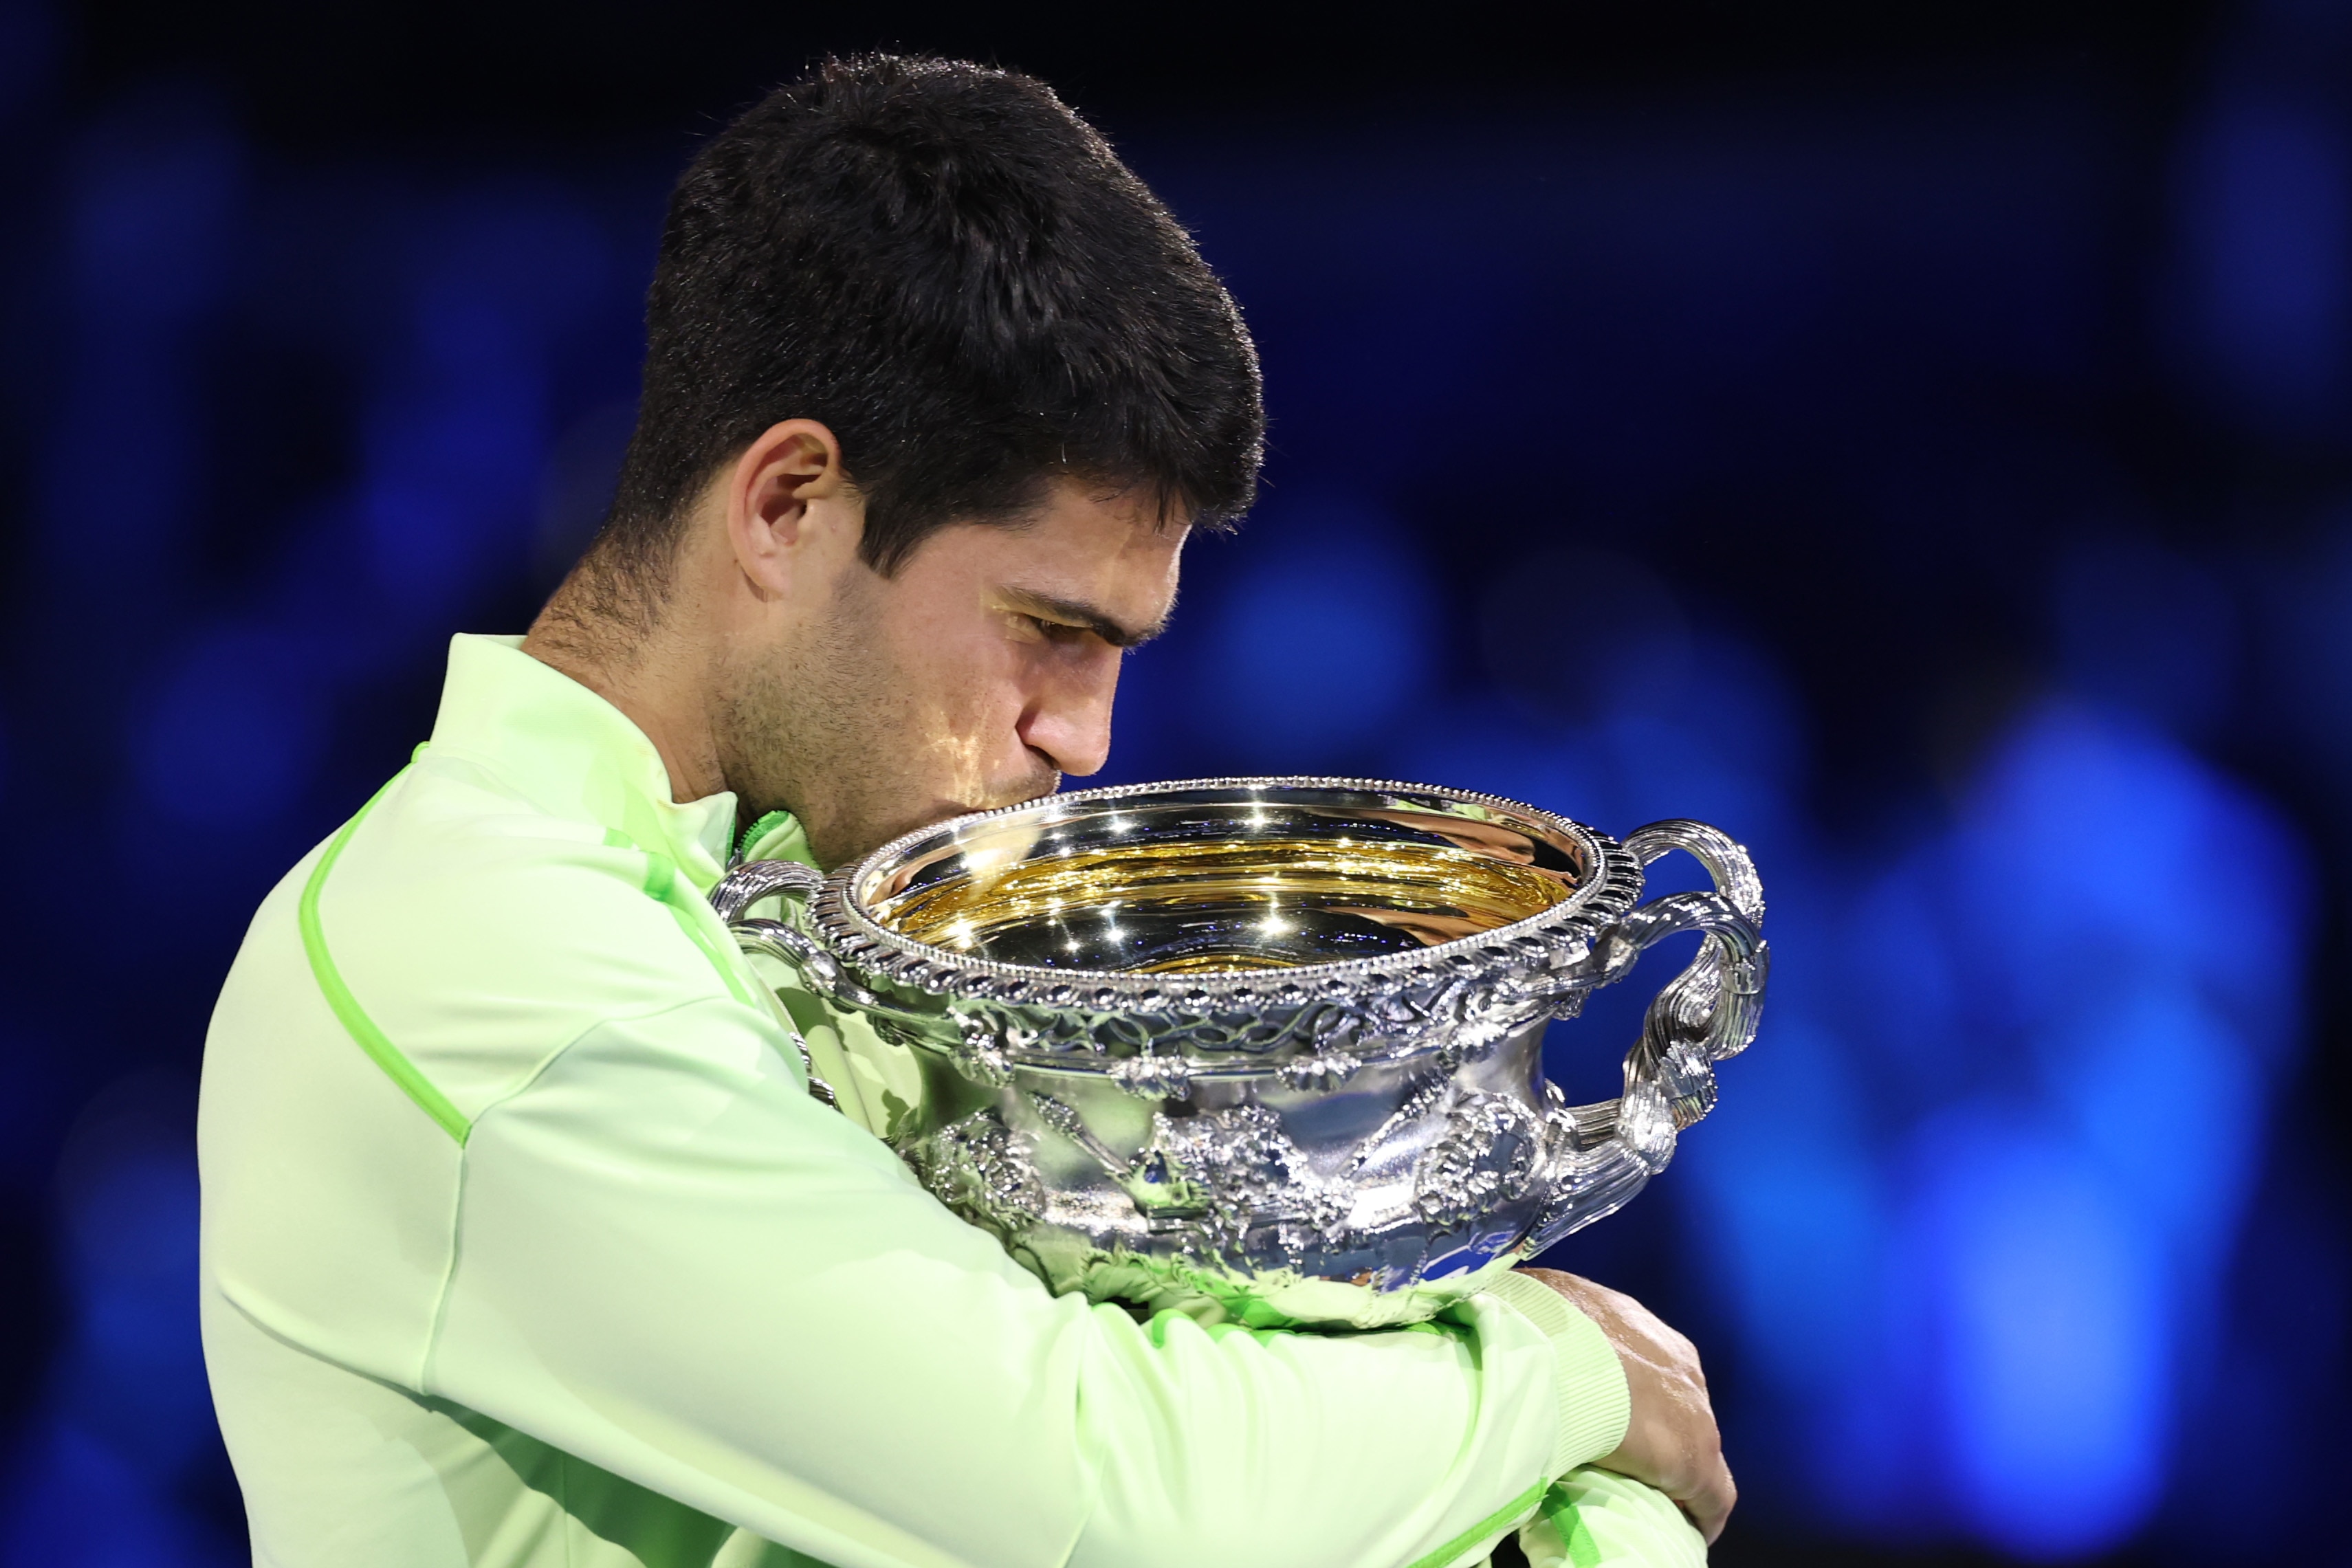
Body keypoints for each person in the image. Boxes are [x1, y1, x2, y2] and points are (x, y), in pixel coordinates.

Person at [198, 54, 1731, 1568]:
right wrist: (1551, 1370)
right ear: (790, 505)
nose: (1081, 735)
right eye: (1048, 628)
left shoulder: (815, 894)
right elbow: (1106, 1507)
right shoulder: (474, 953)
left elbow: (1238, 1399)